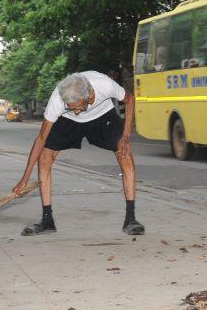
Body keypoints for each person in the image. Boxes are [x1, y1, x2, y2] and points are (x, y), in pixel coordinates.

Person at [12, 71, 144, 236]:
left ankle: (130, 218)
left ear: (89, 97)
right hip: (69, 122)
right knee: (45, 156)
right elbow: (40, 139)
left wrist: (125, 136)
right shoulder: (59, 100)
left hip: (102, 117)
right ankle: (47, 221)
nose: (75, 111)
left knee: (125, 154)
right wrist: (25, 179)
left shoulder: (105, 85)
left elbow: (130, 99)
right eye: (70, 107)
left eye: (77, 107)